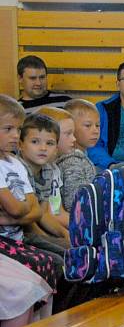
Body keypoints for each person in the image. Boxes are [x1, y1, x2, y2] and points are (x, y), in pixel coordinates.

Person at [0, 95, 63, 298]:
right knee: (53, 264)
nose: (14, 136)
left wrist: (8, 218)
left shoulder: (15, 164)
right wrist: (20, 211)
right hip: (8, 241)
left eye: (17, 130)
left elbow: (35, 210)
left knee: (69, 258)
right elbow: (20, 209)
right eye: (8, 129)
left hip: (17, 236)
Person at [18, 112, 70, 250]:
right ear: (20, 144)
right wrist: (49, 241)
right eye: (35, 142)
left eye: (50, 143)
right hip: (19, 232)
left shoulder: (49, 170)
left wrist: (64, 233)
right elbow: (27, 221)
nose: (43, 148)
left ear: (56, 148)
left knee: (72, 243)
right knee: (64, 253)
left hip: (34, 230)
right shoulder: (18, 170)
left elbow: (43, 214)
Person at [58, 99, 100, 212]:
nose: (95, 130)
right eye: (88, 125)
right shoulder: (72, 162)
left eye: (97, 125)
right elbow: (75, 204)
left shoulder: (82, 156)